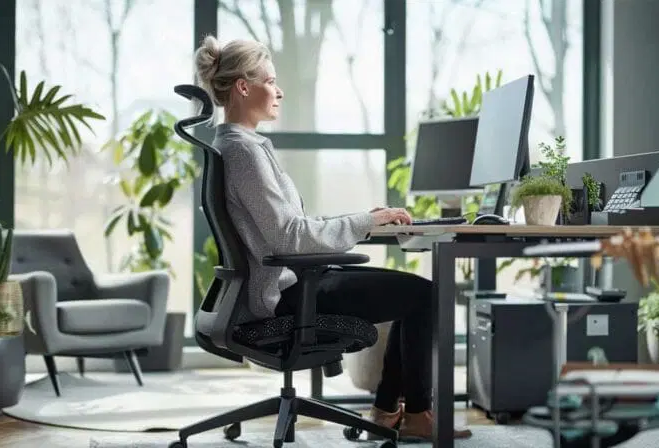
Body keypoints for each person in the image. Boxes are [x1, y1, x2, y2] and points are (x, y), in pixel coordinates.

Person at [193, 35, 472, 442]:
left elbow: (291, 224)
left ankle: (386, 412)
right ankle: (415, 414)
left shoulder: (237, 146)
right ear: (243, 86)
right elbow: (289, 236)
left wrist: (367, 220)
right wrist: (363, 222)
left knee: (416, 294)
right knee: (427, 295)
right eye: (270, 81)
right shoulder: (244, 153)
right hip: (285, 294)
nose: (279, 90)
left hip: (288, 282)